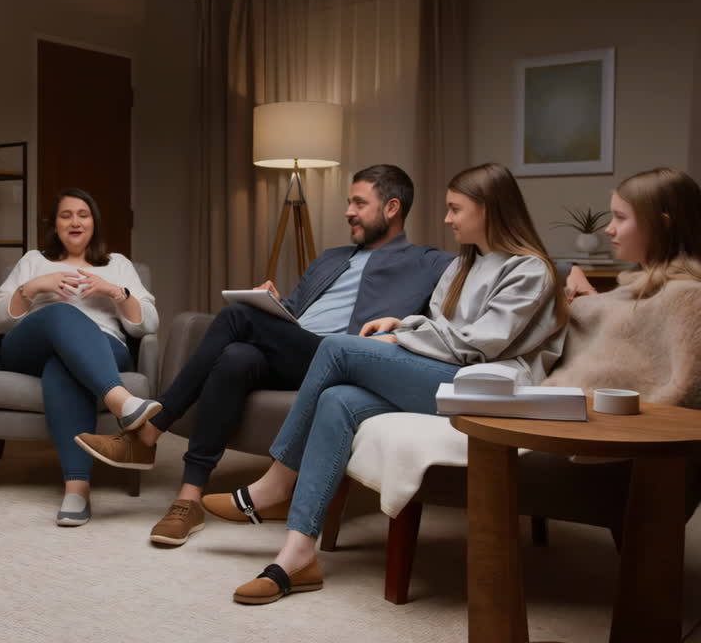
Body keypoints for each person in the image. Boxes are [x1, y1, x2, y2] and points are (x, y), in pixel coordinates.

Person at [210, 162, 566, 605]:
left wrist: (405, 334)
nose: (446, 219)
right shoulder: (462, 266)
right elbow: (442, 325)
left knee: (338, 348)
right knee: (339, 399)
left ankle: (277, 483)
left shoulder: (529, 270)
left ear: (488, 209)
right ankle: (298, 556)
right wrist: (405, 324)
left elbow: (483, 344)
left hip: (487, 388)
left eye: (456, 209)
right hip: (449, 374)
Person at [74, 165, 454, 546]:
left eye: (359, 203)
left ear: (391, 208)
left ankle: (151, 429)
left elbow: (451, 320)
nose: (348, 211)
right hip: (297, 352)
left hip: (345, 358)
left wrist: (400, 329)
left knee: (239, 317)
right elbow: (297, 312)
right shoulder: (331, 258)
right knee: (237, 356)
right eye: (348, 202)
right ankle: (189, 498)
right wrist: (272, 305)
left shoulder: (430, 263)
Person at [0, 187, 159, 526]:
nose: (75, 222)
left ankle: (76, 489)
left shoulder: (117, 265)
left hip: (103, 349)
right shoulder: (34, 261)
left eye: (83, 215)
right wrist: (35, 287)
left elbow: (148, 324)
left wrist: (115, 292)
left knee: (64, 364)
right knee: (62, 313)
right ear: (55, 224)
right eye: (66, 215)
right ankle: (121, 401)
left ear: (94, 222)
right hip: (30, 347)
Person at [546, 168, 701, 403]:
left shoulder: (687, 296)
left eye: (620, 217)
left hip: (614, 426)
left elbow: (686, 390)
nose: (609, 229)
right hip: (561, 405)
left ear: (661, 224)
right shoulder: (633, 288)